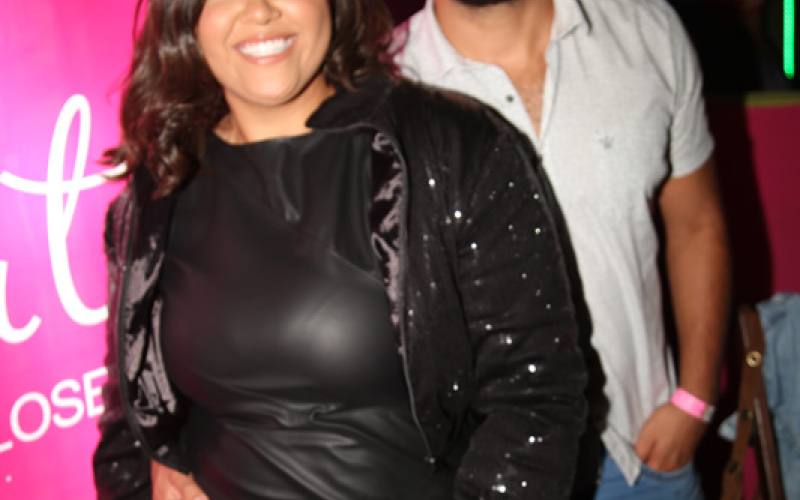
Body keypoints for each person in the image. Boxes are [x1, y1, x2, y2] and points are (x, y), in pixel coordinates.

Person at [92, 0, 589, 499]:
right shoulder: (156, 196)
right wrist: (156, 463)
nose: (259, 11)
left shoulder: (454, 148)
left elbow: (535, 396)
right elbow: (128, 429)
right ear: (187, 17)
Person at [394, 0, 731, 498]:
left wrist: (695, 400)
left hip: (643, 455)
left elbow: (696, 223)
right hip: (474, 475)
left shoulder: (646, 30)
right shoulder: (383, 79)